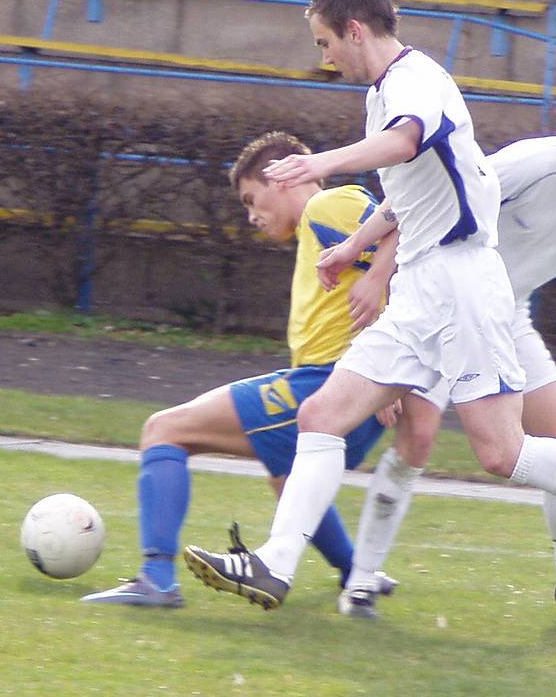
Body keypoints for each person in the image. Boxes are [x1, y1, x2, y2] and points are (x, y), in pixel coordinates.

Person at [182, 0, 556, 615]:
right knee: (322, 416)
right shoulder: (388, 90)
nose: (324, 55)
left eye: (326, 41)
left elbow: (406, 141)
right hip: (422, 284)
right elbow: (414, 195)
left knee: (501, 452)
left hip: (463, 284)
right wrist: (355, 247)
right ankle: (276, 566)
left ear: (355, 30)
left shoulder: (416, 81)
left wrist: (322, 163)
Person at [340, 99, 556, 622]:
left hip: (503, 314)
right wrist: (381, 282)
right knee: (418, 437)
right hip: (442, 304)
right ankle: (359, 582)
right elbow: (433, 204)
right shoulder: (535, 164)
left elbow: (520, 270)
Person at [81, 130, 401, 607]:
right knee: (284, 475)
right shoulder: (317, 228)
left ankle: (157, 580)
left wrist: (388, 366)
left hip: (330, 383)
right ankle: (357, 575)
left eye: (253, 199)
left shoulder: (327, 206)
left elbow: (408, 236)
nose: (252, 215)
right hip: (345, 388)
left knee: (164, 430)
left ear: (280, 178)